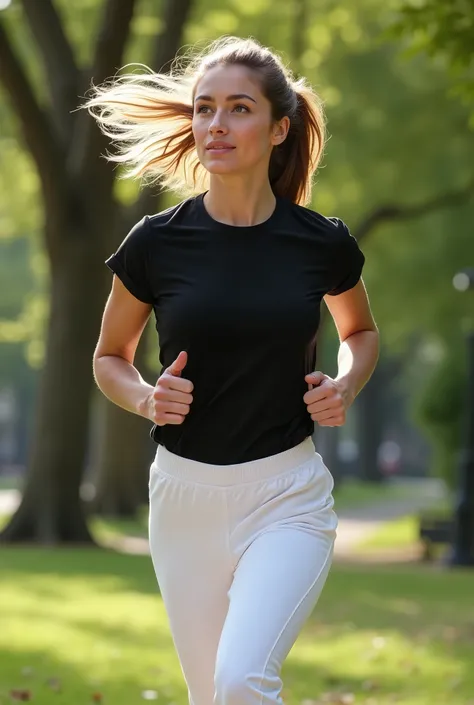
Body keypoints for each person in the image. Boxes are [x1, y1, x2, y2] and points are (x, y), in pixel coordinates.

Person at [86, 36, 379, 705]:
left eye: (238, 108)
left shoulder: (320, 243)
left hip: (286, 497)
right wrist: (145, 400)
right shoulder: (157, 243)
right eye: (205, 108)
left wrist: (345, 384)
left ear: (279, 127)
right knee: (210, 695)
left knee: (242, 680)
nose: (216, 124)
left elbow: (358, 332)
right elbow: (109, 356)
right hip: (183, 500)